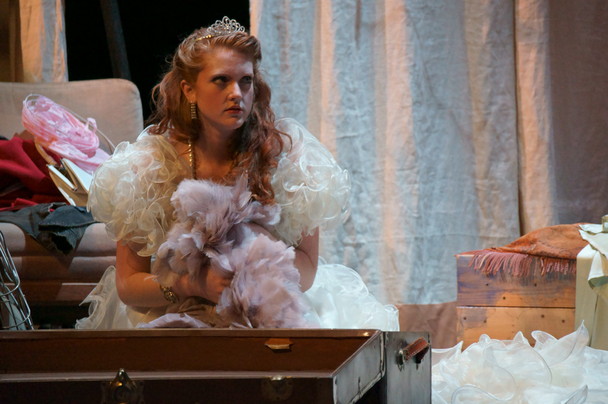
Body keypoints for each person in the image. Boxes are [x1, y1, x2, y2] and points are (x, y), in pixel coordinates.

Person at [76, 17, 399, 331]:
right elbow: (128, 284)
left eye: (246, 81)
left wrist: (252, 273)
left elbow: (308, 269)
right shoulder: (150, 166)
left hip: (272, 303)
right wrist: (192, 285)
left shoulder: (286, 159)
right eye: (221, 80)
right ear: (189, 89)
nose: (236, 93)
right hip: (179, 309)